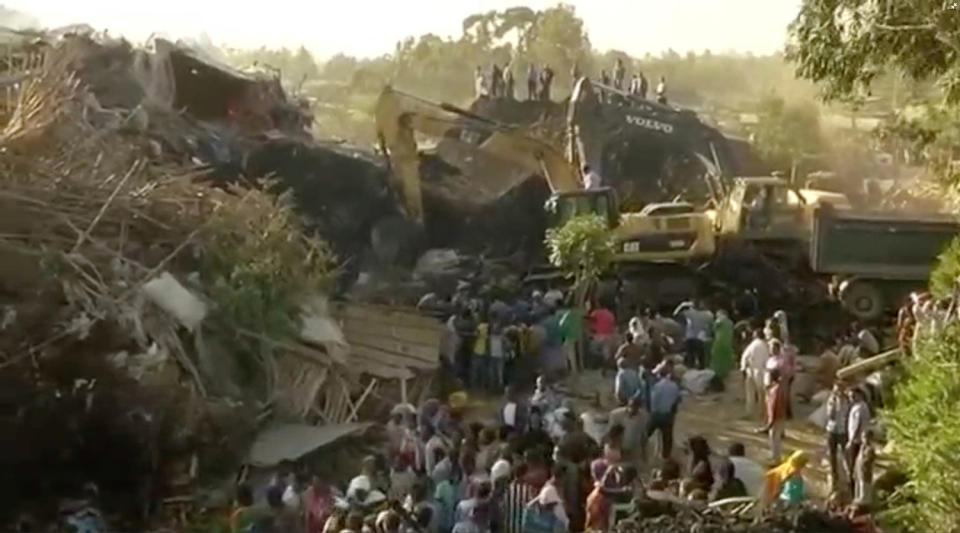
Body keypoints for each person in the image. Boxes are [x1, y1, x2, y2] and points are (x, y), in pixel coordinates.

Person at [647, 364, 681, 459]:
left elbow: (653, 402)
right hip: (668, 415)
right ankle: (666, 457)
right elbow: (677, 400)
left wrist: (651, 414)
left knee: (645, 435)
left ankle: (641, 452)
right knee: (667, 440)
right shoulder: (674, 386)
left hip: (656, 415)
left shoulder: (656, 386)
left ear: (659, 375)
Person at [825, 381, 851, 492]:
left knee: (846, 454)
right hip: (832, 430)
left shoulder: (848, 401)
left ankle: (849, 476)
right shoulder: (831, 400)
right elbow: (830, 416)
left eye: (838, 389)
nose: (836, 392)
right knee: (832, 455)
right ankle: (834, 476)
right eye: (835, 389)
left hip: (843, 431)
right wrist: (833, 404)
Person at [758, 368, 788, 462]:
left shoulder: (776, 389)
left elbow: (774, 405)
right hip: (778, 416)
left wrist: (771, 421)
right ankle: (775, 457)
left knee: (774, 438)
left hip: (776, 416)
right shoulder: (777, 387)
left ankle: (776, 458)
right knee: (774, 437)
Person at [609, 395, 648, 466]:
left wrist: (644, 452)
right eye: (630, 406)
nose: (632, 409)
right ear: (627, 405)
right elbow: (611, 432)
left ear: (639, 407)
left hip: (634, 448)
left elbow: (643, 434)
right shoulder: (616, 415)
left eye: (635, 407)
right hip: (619, 448)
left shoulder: (643, 417)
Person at [674, 300, 713, 370]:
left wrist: (682, 305)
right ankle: (701, 373)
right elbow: (711, 325)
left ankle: (691, 374)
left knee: (690, 359)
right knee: (701, 359)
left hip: (690, 338)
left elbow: (675, 314)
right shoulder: (708, 314)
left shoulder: (689, 313)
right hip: (701, 338)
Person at [846, 387, 871, 493]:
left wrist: (851, 441)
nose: (851, 398)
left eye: (853, 396)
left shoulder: (860, 407)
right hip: (858, 440)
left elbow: (857, 425)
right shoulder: (859, 406)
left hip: (857, 441)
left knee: (854, 466)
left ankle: (853, 491)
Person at [740, 329, 770, 417]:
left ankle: (749, 412)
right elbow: (767, 359)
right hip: (761, 370)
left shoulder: (752, 345)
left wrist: (743, 369)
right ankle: (762, 412)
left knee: (750, 393)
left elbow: (744, 357)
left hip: (751, 370)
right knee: (761, 393)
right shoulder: (765, 345)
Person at [558, 298, 583, 374]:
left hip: (570, 335)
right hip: (578, 333)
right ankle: (581, 368)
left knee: (571, 353)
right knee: (579, 352)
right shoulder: (578, 313)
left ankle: (573, 370)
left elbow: (561, 324)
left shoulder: (567, 314)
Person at [587, 303, 616, 369]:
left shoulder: (596, 313)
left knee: (592, 350)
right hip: (608, 336)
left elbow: (590, 321)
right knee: (606, 353)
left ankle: (595, 364)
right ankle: (605, 367)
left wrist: (591, 330)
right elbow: (613, 325)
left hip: (598, 336)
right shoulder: (610, 314)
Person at [710, 309, 735, 381]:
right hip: (728, 343)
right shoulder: (730, 322)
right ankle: (725, 373)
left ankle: (718, 373)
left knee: (717, 358)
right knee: (726, 358)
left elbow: (713, 328)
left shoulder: (719, 320)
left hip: (719, 342)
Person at [854, 430, 876, 506]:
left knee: (865, 485)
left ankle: (865, 501)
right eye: (863, 437)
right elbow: (858, 459)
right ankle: (859, 498)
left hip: (866, 471)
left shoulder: (871, 449)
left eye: (866, 437)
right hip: (859, 469)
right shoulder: (862, 447)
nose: (864, 439)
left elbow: (869, 460)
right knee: (859, 484)